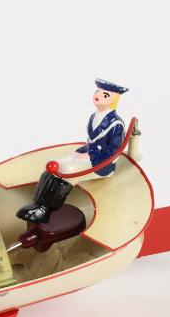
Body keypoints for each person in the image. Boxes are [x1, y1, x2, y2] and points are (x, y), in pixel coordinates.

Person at [16, 79, 129, 223]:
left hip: (101, 165)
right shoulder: (94, 117)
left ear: (113, 100)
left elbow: (114, 155)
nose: (98, 95)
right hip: (88, 157)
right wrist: (82, 151)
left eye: (105, 95)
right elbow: (91, 143)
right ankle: (38, 203)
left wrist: (90, 155)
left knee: (67, 170)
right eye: (97, 92)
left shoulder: (116, 124)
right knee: (55, 164)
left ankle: (45, 211)